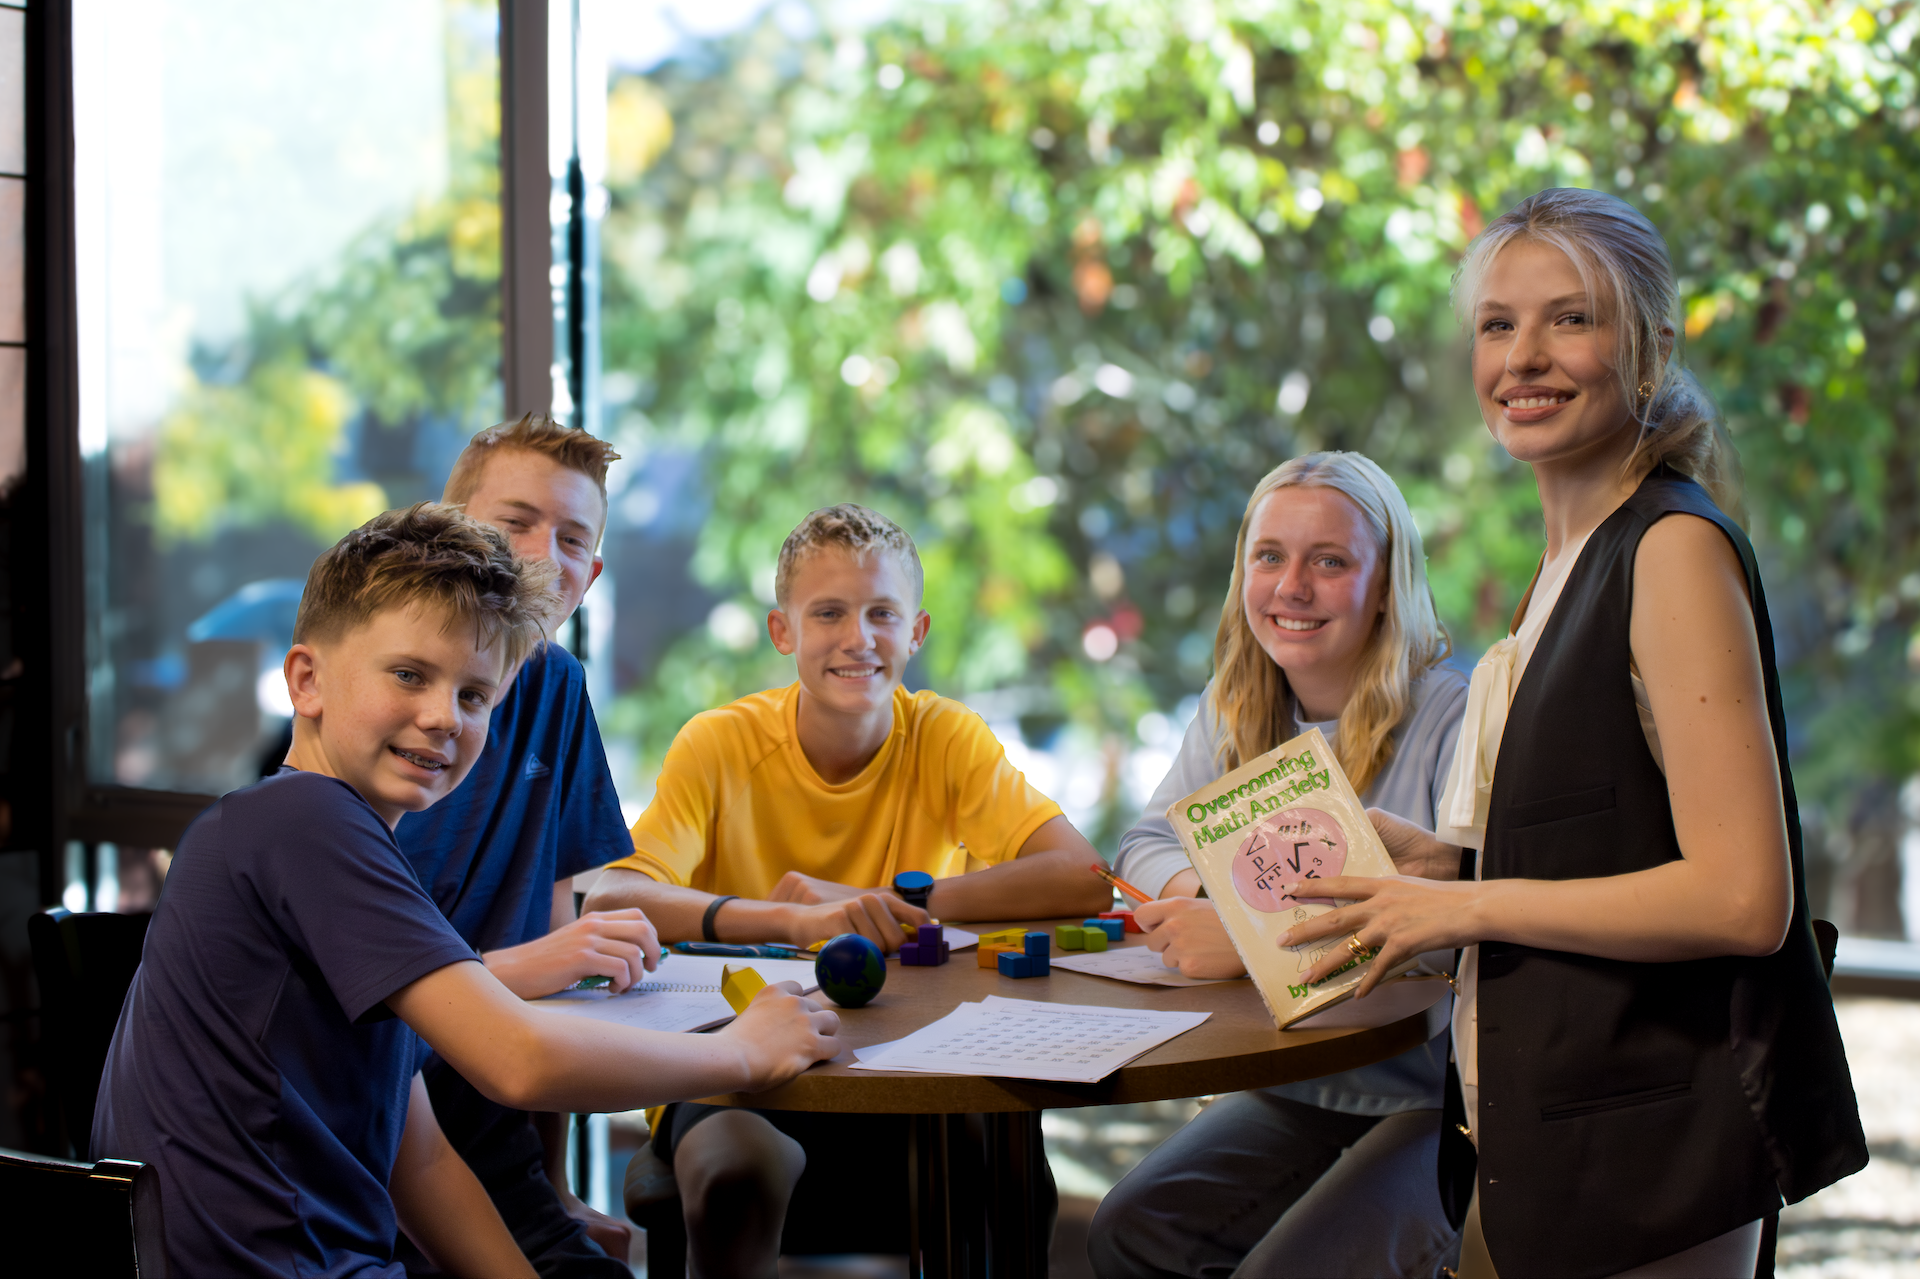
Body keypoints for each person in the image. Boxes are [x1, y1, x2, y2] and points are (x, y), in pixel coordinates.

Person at [1282, 188, 1867, 1278]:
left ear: (1648, 344)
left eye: (1572, 318)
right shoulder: (1562, 566)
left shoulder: (1672, 552)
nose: (1525, 357)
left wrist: (1461, 902)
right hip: (1538, 1136)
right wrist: (1450, 857)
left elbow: (1743, 898)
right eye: (1498, 325)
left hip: (1643, 1163)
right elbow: (1623, 837)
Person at [92, 504, 842, 1278]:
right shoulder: (302, 820)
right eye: (410, 674)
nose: (443, 716)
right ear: (306, 679)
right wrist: (742, 1053)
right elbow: (518, 1059)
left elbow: (417, 1162)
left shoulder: (341, 842)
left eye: (475, 696)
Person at [583, 502, 1113, 1277]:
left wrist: (893, 901)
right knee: (735, 1174)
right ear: (783, 631)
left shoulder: (945, 735)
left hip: (919, 1060)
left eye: (881, 614)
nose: (857, 637)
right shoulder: (718, 742)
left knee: (1007, 1166)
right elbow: (612, 898)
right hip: (739, 1063)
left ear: (918, 632)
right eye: (828, 611)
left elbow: (1086, 879)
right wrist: (795, 920)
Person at [1087, 452, 1468, 1279]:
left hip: (1432, 1097)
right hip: (1297, 1084)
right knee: (1129, 1230)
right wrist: (1206, 893)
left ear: (1384, 583)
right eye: (1270, 556)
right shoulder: (1236, 701)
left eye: (1328, 561)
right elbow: (1145, 845)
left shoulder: (1452, 713)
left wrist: (1251, 933)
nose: (1291, 585)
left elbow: (1460, 927)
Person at [392, 413, 648, 1277]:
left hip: (492, 1138)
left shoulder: (561, 689)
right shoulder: (388, 714)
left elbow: (555, 947)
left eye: (572, 537)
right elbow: (352, 1015)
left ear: (594, 573)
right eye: (514, 523)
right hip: (367, 1138)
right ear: (445, 529)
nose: (543, 555)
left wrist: (558, 1182)